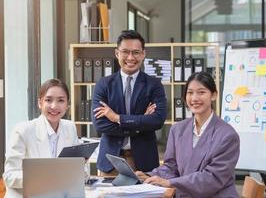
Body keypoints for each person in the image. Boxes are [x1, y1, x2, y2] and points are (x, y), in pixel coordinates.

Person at [136, 72, 240, 198]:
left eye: (201, 92)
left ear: (213, 95)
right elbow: (171, 166)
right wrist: (149, 176)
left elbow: (212, 178)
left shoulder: (227, 135)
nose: (194, 98)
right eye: (190, 93)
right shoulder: (178, 129)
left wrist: (169, 183)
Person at [92, 30, 167, 176]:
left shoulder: (154, 85)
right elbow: (100, 124)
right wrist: (140, 124)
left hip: (143, 163)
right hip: (111, 161)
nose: (130, 57)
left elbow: (157, 121)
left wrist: (117, 118)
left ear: (143, 54)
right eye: (125, 52)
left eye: (136, 52)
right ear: (116, 53)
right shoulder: (104, 84)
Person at [2, 79, 79, 198]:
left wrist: (79, 171)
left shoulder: (70, 127)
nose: (54, 106)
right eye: (48, 100)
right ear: (40, 103)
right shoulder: (23, 130)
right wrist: (45, 177)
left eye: (61, 100)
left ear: (67, 105)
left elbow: (80, 169)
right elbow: (9, 176)